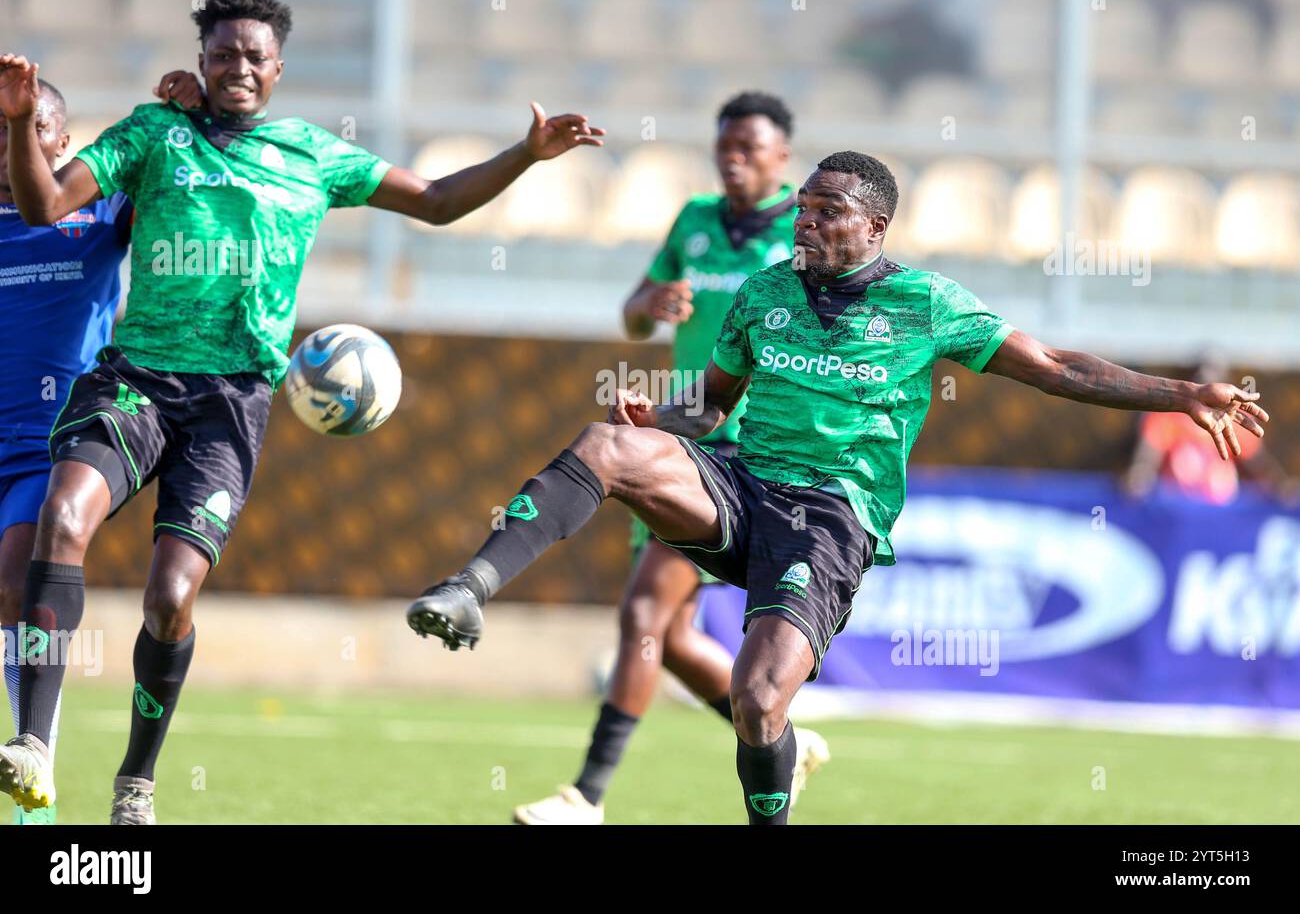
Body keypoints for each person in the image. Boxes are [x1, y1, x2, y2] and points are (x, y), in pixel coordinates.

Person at [408, 151, 1269, 824]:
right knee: (607, 444)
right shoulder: (765, 292)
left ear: (875, 226)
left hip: (830, 519)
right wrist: (657, 419)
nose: (805, 221)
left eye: (827, 211)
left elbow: (1052, 366)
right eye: (803, 207)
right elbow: (711, 405)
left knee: (756, 702)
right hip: (741, 482)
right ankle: (469, 589)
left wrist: (1182, 394)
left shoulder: (924, 303)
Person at [0, 0, 603, 824]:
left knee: (170, 600)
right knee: (63, 516)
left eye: (253, 56)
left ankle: (136, 780)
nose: (236, 68)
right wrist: (26, 121)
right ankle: (31, 743)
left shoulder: (315, 154)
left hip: (229, 404)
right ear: (200, 64)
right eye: (221, 55)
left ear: (279, 67)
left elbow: (432, 202)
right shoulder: (151, 134)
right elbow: (43, 202)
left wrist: (525, 154)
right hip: (136, 379)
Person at [513, 92, 828, 825]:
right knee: (671, 635)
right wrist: (649, 301)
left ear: (782, 157)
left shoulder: (801, 233)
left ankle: (584, 797)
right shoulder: (692, 220)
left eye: (750, 147)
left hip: (749, 452)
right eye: (725, 146)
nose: (734, 158)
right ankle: (789, 737)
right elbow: (630, 311)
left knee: (644, 614)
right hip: (682, 433)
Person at [0, 71, 201, 825]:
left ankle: (32, 786)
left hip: (43, 447)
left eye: (22, 127)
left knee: (17, 583)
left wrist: (183, 115)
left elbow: (176, 188)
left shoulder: (99, 212)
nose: (6, 142)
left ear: (60, 140)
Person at [1123, 351, 1296, 505]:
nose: (1204, 378)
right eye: (1199, 378)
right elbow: (1145, 461)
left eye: (1213, 379)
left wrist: (1281, 487)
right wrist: (1138, 478)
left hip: (1219, 513)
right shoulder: (1166, 419)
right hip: (1177, 511)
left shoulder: (1234, 419)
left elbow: (1260, 466)